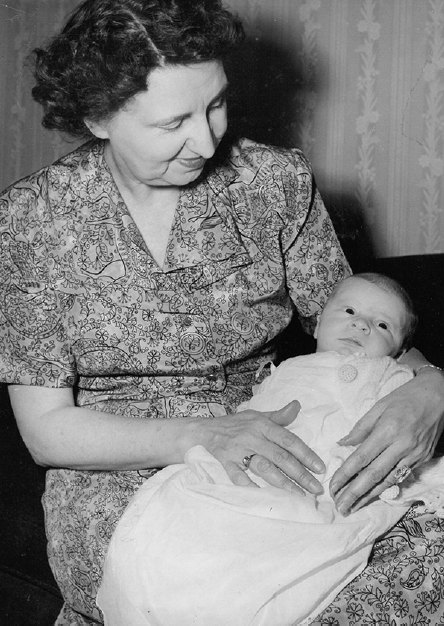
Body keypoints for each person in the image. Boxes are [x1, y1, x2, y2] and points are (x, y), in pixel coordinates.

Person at [0, 1, 443, 624]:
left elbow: (360, 325)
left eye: (215, 104)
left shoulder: (272, 181)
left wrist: (431, 389)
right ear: (97, 117)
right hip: (123, 470)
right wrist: (203, 436)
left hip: (288, 434)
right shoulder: (30, 222)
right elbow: (47, 431)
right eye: (173, 121)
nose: (207, 140)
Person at [96, 273, 444, 625]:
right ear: (318, 321)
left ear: (399, 352)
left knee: (271, 563)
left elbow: (401, 430)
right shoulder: (283, 369)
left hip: (315, 483)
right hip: (247, 466)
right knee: (179, 527)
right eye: (350, 310)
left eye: (382, 324)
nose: (362, 324)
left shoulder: (382, 372)